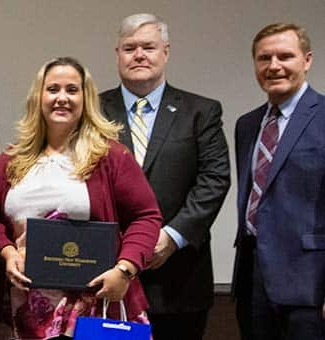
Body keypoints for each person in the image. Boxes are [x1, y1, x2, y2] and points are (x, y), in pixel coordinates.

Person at [0, 57, 161, 339]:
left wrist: (125, 269)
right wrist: (7, 252)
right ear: (38, 96)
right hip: (22, 306)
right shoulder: (10, 160)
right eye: (53, 89)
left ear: (86, 98)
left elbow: (146, 216)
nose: (62, 98)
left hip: (95, 306)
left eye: (72, 90)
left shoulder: (111, 157)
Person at [97, 13, 231, 340]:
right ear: (118, 54)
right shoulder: (92, 110)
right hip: (106, 272)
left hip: (179, 276)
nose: (139, 55)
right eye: (130, 48)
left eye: (148, 47)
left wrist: (172, 237)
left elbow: (214, 179)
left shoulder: (201, 111)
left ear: (166, 52)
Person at [233, 23, 325, 340]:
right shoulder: (246, 125)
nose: (274, 66)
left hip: (310, 285)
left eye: (285, 56)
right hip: (252, 280)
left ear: (307, 60)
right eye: (264, 58)